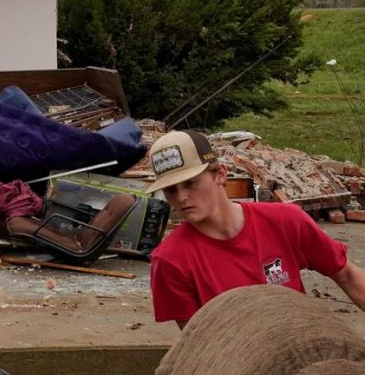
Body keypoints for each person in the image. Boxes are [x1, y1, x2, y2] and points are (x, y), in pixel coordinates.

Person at [147, 130, 365, 329]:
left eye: (190, 183)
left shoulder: (286, 221)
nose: (181, 197)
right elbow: (200, 344)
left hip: (301, 350)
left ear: (220, 174)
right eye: (170, 190)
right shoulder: (170, 261)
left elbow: (347, 276)